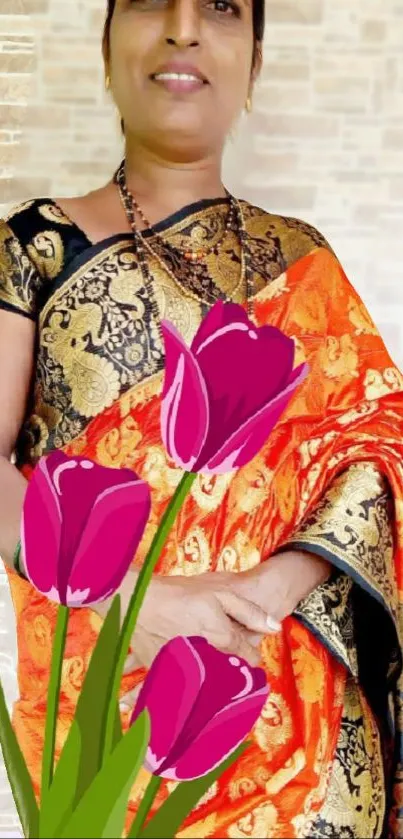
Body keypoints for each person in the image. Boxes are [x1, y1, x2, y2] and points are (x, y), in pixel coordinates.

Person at [0, 0, 402, 835]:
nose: (183, 28)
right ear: (107, 44)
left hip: (307, 755)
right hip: (112, 731)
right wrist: (132, 603)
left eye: (221, 8)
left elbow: (376, 449)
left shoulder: (304, 259)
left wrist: (265, 592)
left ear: (254, 65)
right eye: (151, 0)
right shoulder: (35, 246)